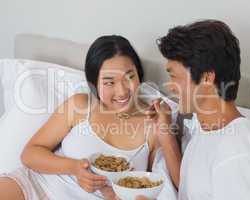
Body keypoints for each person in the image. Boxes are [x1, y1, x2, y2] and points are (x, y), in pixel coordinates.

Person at [0, 35, 180, 200]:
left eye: (129, 77)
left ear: (139, 75)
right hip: (39, 185)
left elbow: (171, 186)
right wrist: (74, 168)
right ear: (94, 84)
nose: (122, 90)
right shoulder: (80, 106)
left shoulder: (154, 122)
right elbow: (30, 154)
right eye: (109, 82)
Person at [147, 20, 250, 200]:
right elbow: (192, 188)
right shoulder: (207, 126)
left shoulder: (238, 155)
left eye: (174, 77)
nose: (170, 87)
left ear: (207, 78)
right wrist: (165, 132)